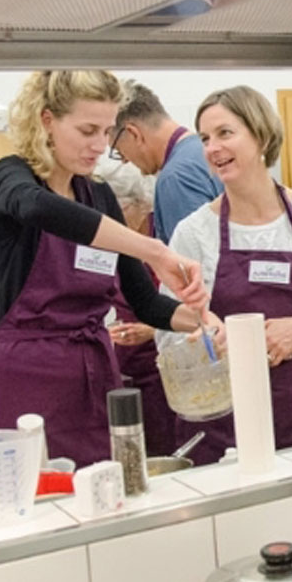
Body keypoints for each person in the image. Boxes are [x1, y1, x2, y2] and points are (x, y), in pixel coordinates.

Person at [0, 71, 209, 468]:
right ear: (47, 120)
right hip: (24, 383)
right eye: (87, 131)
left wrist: (202, 321)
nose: (99, 146)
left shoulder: (98, 195)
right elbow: (36, 208)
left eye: (106, 131)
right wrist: (154, 250)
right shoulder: (8, 178)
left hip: (95, 383)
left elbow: (145, 301)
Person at [158, 85, 292, 465]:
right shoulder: (193, 233)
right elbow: (166, 333)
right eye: (205, 138)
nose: (212, 148)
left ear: (262, 136)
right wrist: (205, 341)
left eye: (225, 133)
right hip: (228, 428)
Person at [97, 159, 180, 457]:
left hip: (165, 368)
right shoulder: (115, 246)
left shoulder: (166, 238)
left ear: (137, 205)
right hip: (127, 367)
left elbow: (192, 307)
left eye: (113, 213)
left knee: (166, 450)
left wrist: (151, 330)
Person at [108, 80, 224, 243]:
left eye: (120, 152)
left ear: (134, 134)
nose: (125, 161)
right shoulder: (203, 151)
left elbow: (193, 260)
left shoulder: (175, 178)